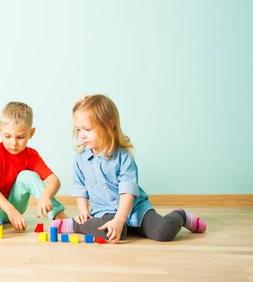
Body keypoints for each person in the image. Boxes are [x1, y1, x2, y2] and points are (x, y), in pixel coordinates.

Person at [50, 94, 207, 243]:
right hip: (105, 211)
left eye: (87, 129)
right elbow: (80, 189)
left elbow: (127, 192)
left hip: (135, 209)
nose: (82, 135)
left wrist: (119, 220)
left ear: (109, 126)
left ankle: (181, 215)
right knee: (108, 232)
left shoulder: (122, 156)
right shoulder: (80, 159)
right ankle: (76, 224)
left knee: (163, 232)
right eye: (79, 130)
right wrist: (83, 212)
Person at [0, 101, 68, 231]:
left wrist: (45, 197)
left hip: (15, 207)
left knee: (27, 176)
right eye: (7, 136)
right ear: (0, 130)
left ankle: (59, 216)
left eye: (20, 137)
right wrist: (10, 211)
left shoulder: (31, 155)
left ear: (31, 133)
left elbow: (54, 181)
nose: (13, 143)